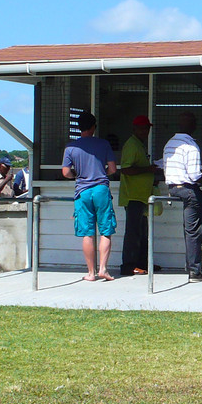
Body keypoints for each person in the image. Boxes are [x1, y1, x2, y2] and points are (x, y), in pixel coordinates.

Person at [61, 111, 117, 281]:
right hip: (101, 188)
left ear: (78, 127)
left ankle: (91, 273)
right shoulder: (104, 144)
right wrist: (102, 173)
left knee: (87, 233)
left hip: (82, 191)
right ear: (94, 127)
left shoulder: (71, 148)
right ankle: (103, 269)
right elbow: (113, 169)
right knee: (105, 231)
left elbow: (65, 172)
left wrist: (76, 176)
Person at [162, 110, 202, 282]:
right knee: (193, 231)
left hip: (173, 188)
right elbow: (194, 176)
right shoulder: (191, 146)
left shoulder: (170, 143)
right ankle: (194, 270)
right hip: (187, 190)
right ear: (193, 125)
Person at [118, 114, 161, 276]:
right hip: (133, 196)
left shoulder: (139, 145)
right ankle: (128, 266)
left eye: (147, 128)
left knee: (142, 232)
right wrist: (148, 170)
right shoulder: (132, 145)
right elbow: (126, 169)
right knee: (133, 233)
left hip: (142, 195)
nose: (145, 131)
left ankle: (144, 263)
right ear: (134, 129)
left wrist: (150, 176)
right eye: (142, 128)